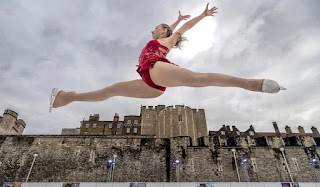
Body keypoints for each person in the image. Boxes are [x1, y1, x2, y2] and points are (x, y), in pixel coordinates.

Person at [49, 3, 286, 113]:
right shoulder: (163, 36)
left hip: (157, 68)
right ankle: (68, 97)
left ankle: (250, 83)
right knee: (110, 90)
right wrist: (177, 20)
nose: (152, 31)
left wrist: (201, 16)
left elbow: (179, 30)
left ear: (161, 31)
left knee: (197, 79)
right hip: (151, 83)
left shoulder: (166, 40)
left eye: (155, 28)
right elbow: (171, 27)